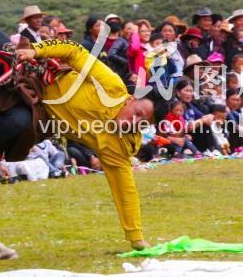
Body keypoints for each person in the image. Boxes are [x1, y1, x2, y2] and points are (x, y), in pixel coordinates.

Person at [16, 39, 154, 250]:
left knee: (8, 127)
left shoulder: (119, 147)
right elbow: (74, 51)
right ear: (131, 100)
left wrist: (136, 237)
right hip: (40, 74)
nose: (133, 122)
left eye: (141, 123)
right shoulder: (112, 84)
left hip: (38, 113)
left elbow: (125, 187)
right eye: (137, 114)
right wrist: (35, 50)